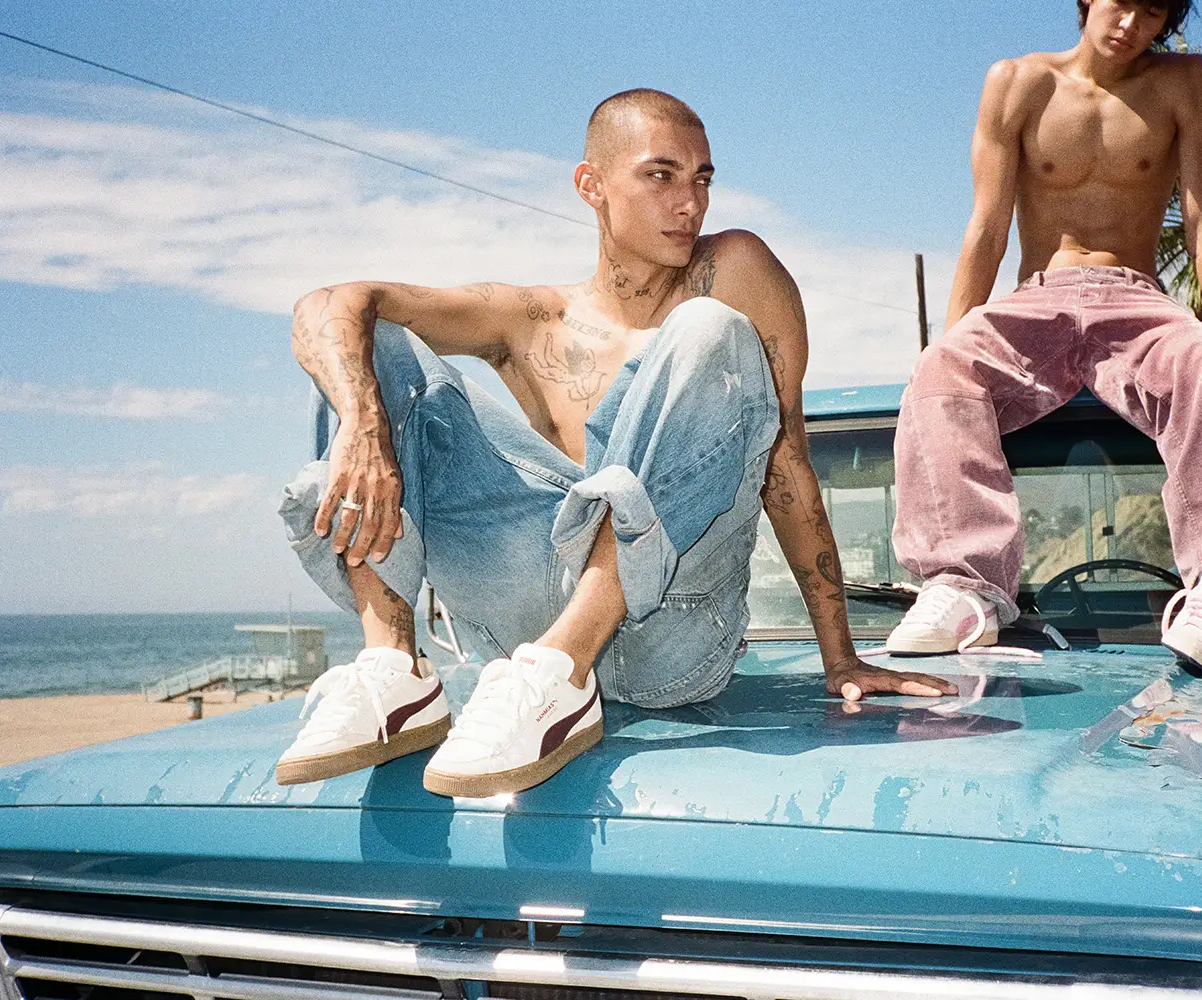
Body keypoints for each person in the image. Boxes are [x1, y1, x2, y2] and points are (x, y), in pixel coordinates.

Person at [275, 89, 956, 798]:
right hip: (522, 637)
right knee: (369, 344)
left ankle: (563, 669)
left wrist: (840, 657)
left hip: (671, 635)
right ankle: (393, 670)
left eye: (702, 180)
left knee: (709, 328)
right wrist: (364, 423)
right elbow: (327, 304)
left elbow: (785, 464)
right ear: (590, 185)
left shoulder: (732, 274)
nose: (690, 203)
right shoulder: (532, 317)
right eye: (661, 175)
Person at [887, 0, 1202, 677]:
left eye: (1152, 11)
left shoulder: (1185, 82)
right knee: (940, 368)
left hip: (1136, 297)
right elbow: (987, 226)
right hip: (1038, 296)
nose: (1131, 23)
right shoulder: (1017, 81)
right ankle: (965, 587)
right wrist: (952, 343)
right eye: (1120, 1)